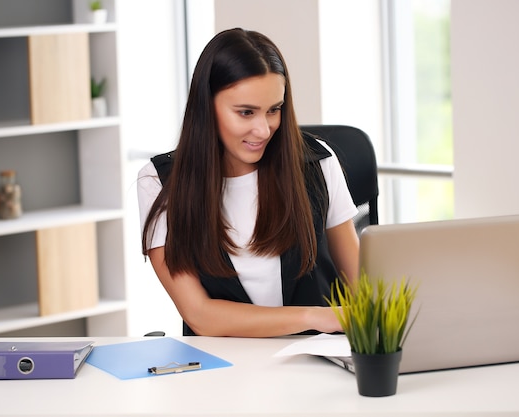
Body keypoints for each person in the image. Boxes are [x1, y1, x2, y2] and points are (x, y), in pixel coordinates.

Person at [138, 28, 360, 337]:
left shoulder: (317, 162)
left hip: (319, 362)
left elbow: (361, 284)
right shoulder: (160, 183)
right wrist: (314, 317)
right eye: (246, 112)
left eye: (274, 110)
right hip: (226, 371)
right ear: (207, 106)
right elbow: (200, 314)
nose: (263, 130)